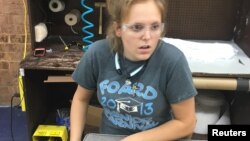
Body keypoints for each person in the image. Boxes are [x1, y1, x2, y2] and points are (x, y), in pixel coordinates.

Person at [70, 0, 197, 140]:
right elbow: (81, 99)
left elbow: (186, 123)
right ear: (118, 28)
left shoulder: (172, 61)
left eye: (155, 27)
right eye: (137, 27)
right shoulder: (97, 53)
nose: (147, 37)